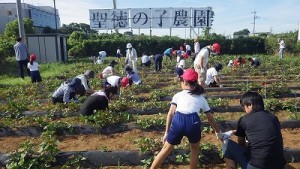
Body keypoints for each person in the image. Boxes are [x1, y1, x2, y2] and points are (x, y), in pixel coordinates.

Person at [150, 69, 223, 169]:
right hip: (193, 122)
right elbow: (210, 118)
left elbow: (170, 113)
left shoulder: (178, 95)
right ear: (196, 82)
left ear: (184, 82)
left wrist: (166, 132)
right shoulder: (201, 98)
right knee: (194, 149)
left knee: (166, 149)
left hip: (178, 120)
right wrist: (218, 132)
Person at [222, 91, 286, 169]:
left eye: (243, 107)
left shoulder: (244, 120)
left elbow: (241, 143)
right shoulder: (273, 117)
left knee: (227, 143)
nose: (244, 110)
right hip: (279, 166)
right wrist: (233, 132)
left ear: (250, 105)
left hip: (257, 166)